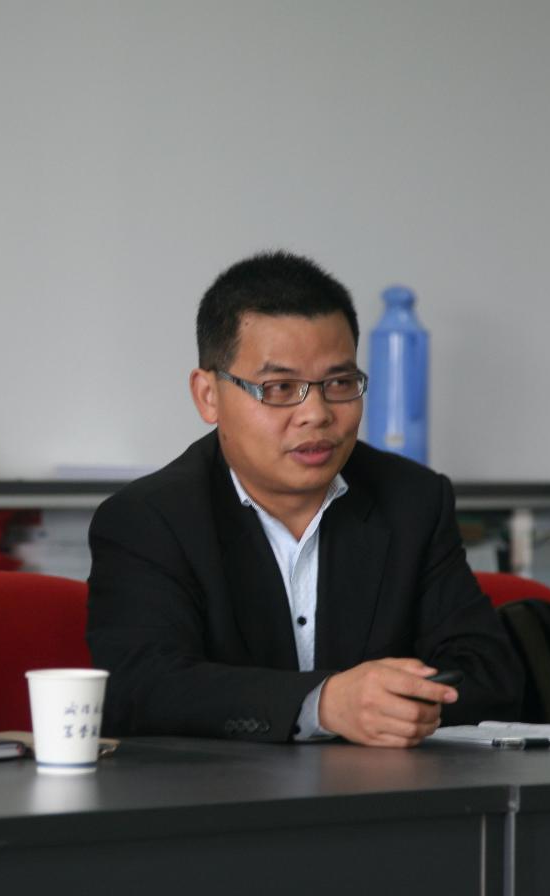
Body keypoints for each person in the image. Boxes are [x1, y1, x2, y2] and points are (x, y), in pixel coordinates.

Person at [86, 250, 522, 746]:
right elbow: (141, 688)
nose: (316, 413)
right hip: (218, 791)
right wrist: (322, 704)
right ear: (208, 395)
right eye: (279, 387)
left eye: (339, 383)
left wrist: (399, 705)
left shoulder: (413, 501)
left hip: (386, 786)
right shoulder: (148, 520)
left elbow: (489, 674)